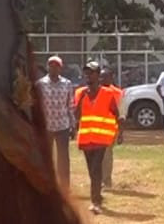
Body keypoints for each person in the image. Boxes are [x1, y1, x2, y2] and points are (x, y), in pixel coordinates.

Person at [72, 61, 122, 213]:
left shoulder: (107, 93)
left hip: (101, 139)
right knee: (92, 171)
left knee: (95, 169)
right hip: (87, 139)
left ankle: (95, 202)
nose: (88, 75)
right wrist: (82, 99)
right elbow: (77, 115)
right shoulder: (80, 93)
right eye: (86, 72)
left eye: (92, 72)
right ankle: (98, 197)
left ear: (98, 75)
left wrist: (119, 133)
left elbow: (116, 114)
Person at [35, 55, 78, 190]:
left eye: (56, 66)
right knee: (46, 157)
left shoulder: (67, 84)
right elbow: (36, 106)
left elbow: (70, 105)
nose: (53, 68)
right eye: (51, 65)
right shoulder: (40, 84)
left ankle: (64, 187)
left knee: (63, 158)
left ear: (61, 68)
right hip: (46, 126)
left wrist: (73, 125)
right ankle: (47, 185)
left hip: (62, 126)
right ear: (48, 67)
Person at [99, 67, 122, 190]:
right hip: (96, 128)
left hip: (110, 128)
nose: (103, 79)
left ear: (111, 78)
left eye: (105, 77)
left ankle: (106, 181)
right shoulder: (94, 91)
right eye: (101, 77)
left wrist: (121, 132)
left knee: (106, 154)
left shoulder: (117, 92)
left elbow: (121, 114)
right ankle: (98, 179)